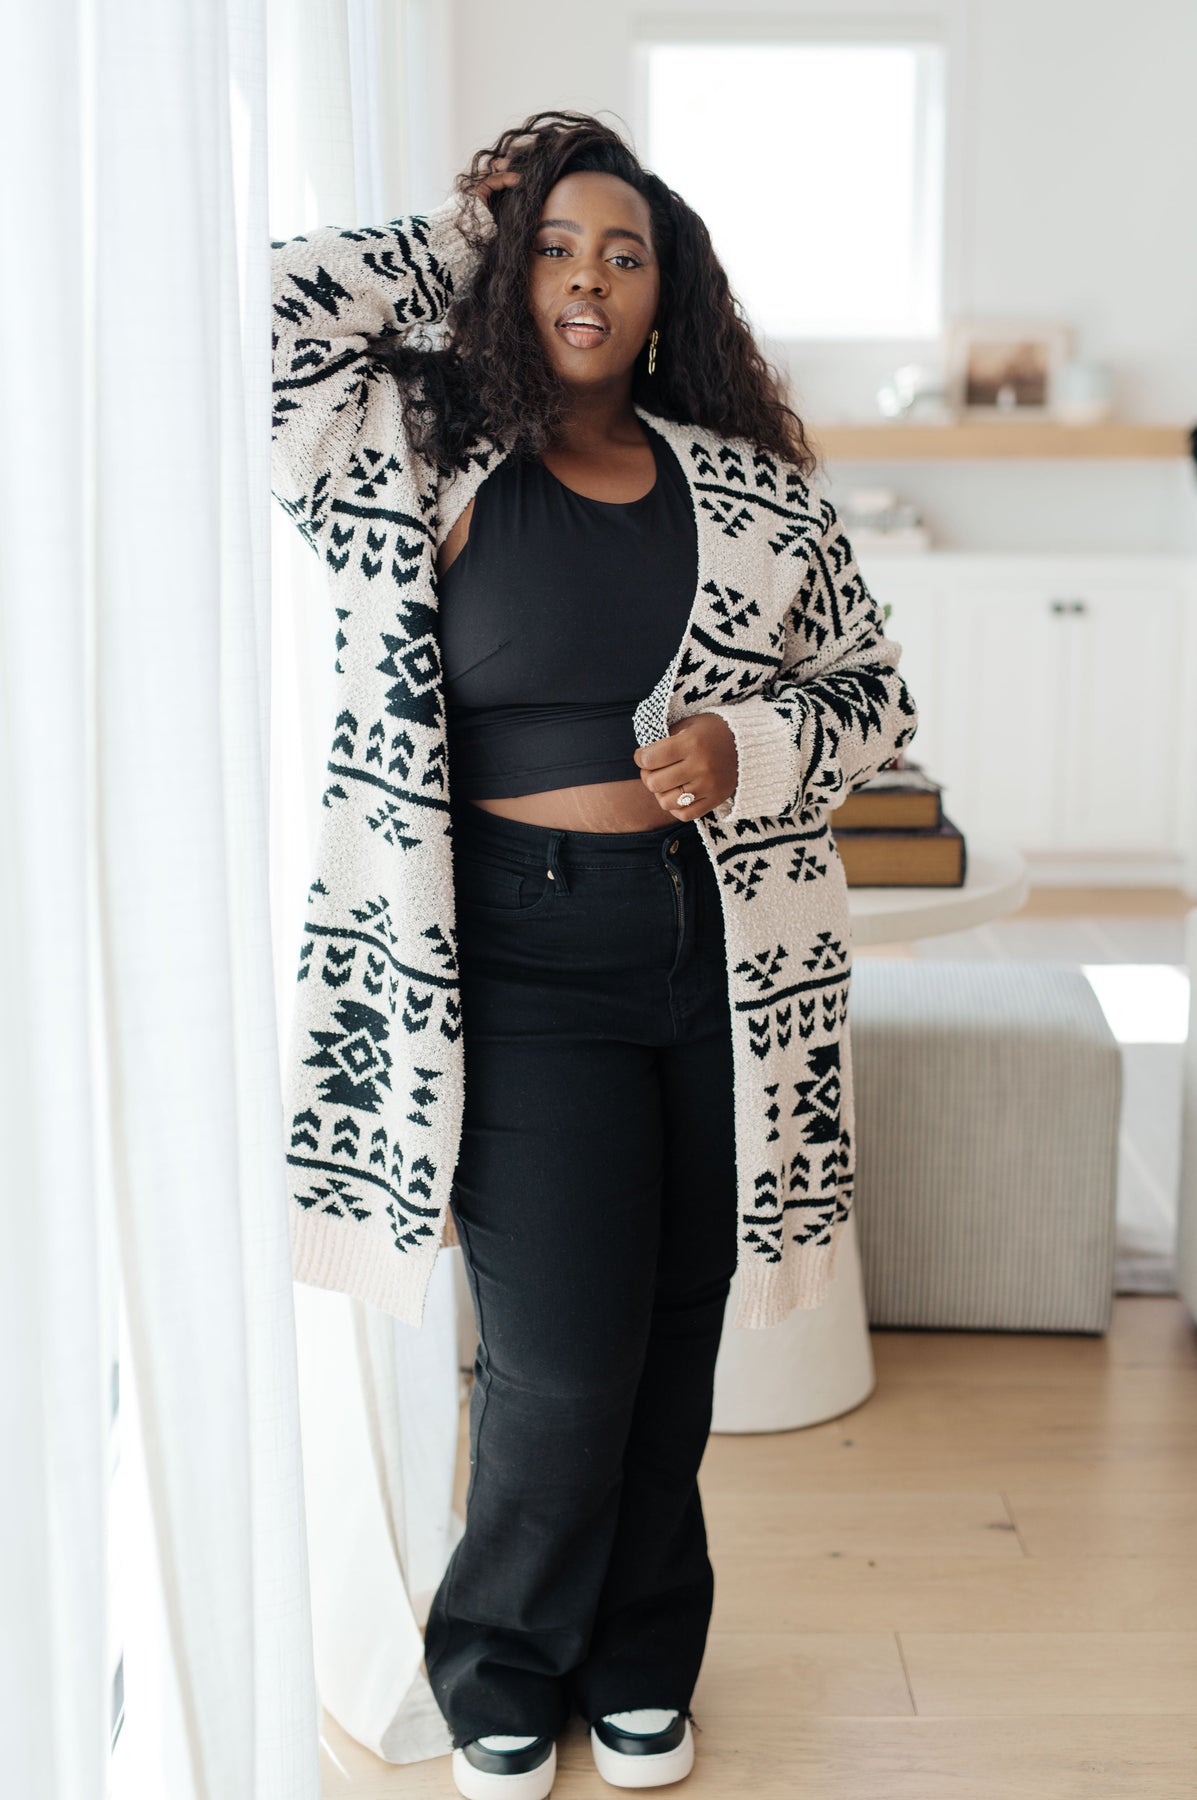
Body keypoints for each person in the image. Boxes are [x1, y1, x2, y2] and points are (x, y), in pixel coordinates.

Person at [269, 109, 918, 1800]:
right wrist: (465, 234)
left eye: (622, 255)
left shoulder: (755, 495)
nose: (586, 278)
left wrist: (744, 747)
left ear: (663, 295)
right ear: (508, 271)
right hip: (515, 948)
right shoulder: (417, 453)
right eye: (553, 248)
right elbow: (267, 312)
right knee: (560, 1360)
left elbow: (873, 697)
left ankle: (640, 1659)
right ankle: (498, 1661)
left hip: (718, 952)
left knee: (672, 1335)